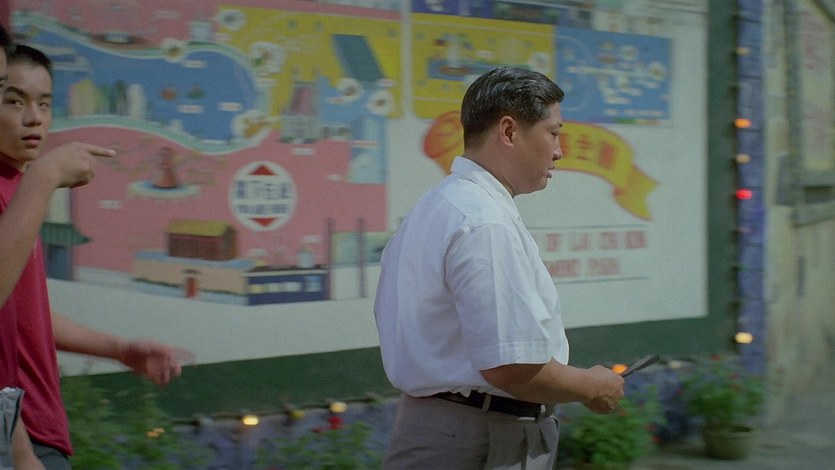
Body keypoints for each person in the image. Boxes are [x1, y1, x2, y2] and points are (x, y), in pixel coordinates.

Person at [374, 66, 626, 469]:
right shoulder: (483, 220)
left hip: (444, 426)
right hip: (482, 435)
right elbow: (511, 366)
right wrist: (592, 385)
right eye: (553, 132)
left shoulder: (441, 205)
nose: (559, 151)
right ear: (509, 131)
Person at [0, 44, 193, 470]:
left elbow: (22, 314)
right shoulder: (22, 187)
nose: (34, 118)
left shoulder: (18, 187)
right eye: (13, 101)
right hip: (21, 434)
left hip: (37, 428)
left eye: (44, 103)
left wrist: (120, 349)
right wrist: (19, 449)